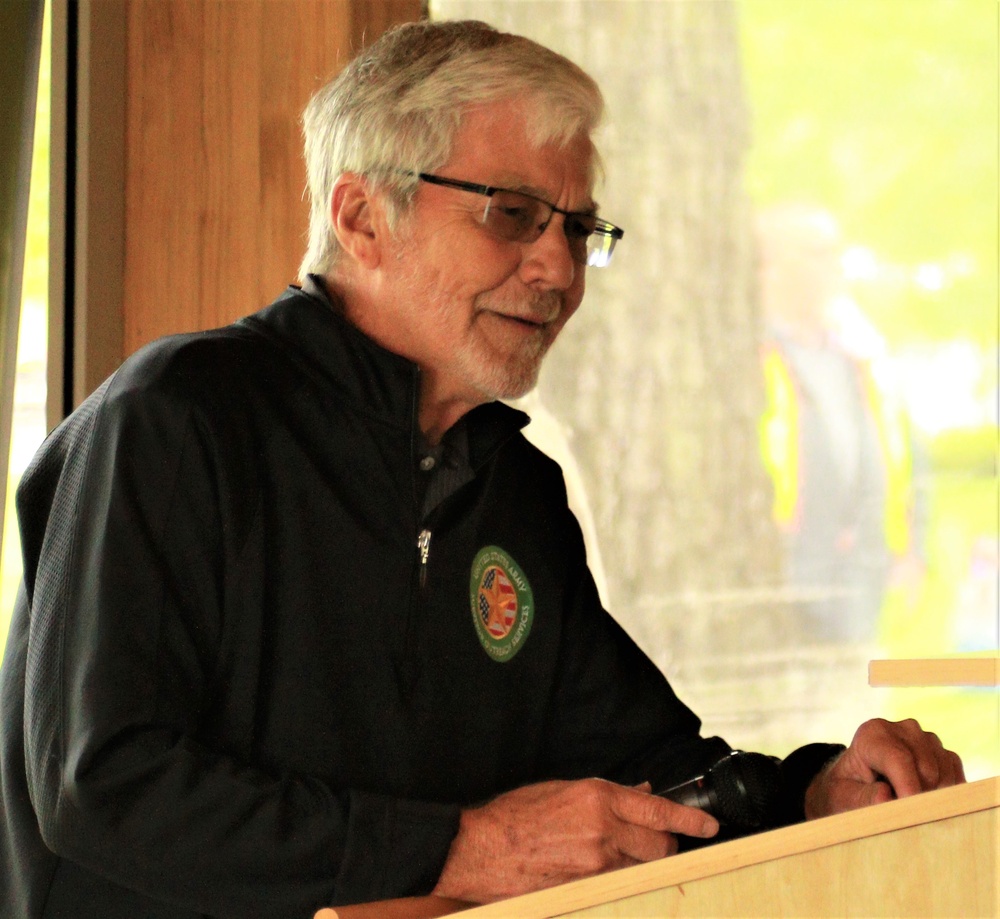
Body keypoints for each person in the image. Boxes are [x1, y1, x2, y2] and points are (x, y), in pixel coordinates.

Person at [0, 20, 963, 919]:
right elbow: (105, 786)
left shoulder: (514, 485)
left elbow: (648, 775)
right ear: (362, 215)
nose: (558, 268)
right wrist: (460, 848)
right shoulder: (175, 420)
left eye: (580, 229)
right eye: (514, 214)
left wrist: (816, 792)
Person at [757, 204, 922, 643]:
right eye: (818, 251)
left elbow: (904, 457)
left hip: (859, 583)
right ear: (772, 263)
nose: (835, 264)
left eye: (836, 250)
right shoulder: (756, 356)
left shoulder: (858, 354)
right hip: (785, 584)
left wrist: (908, 552)